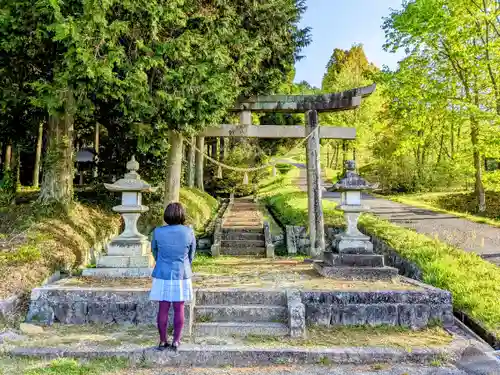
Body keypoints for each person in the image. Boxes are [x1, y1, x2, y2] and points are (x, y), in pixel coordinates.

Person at [149, 202, 196, 352]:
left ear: (166, 215)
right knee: (179, 307)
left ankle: (162, 341)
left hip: (162, 273)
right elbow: (191, 255)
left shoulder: (157, 232)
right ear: (182, 215)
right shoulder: (189, 232)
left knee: (163, 308)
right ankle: (176, 341)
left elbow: (154, 251)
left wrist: (162, 262)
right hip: (181, 273)